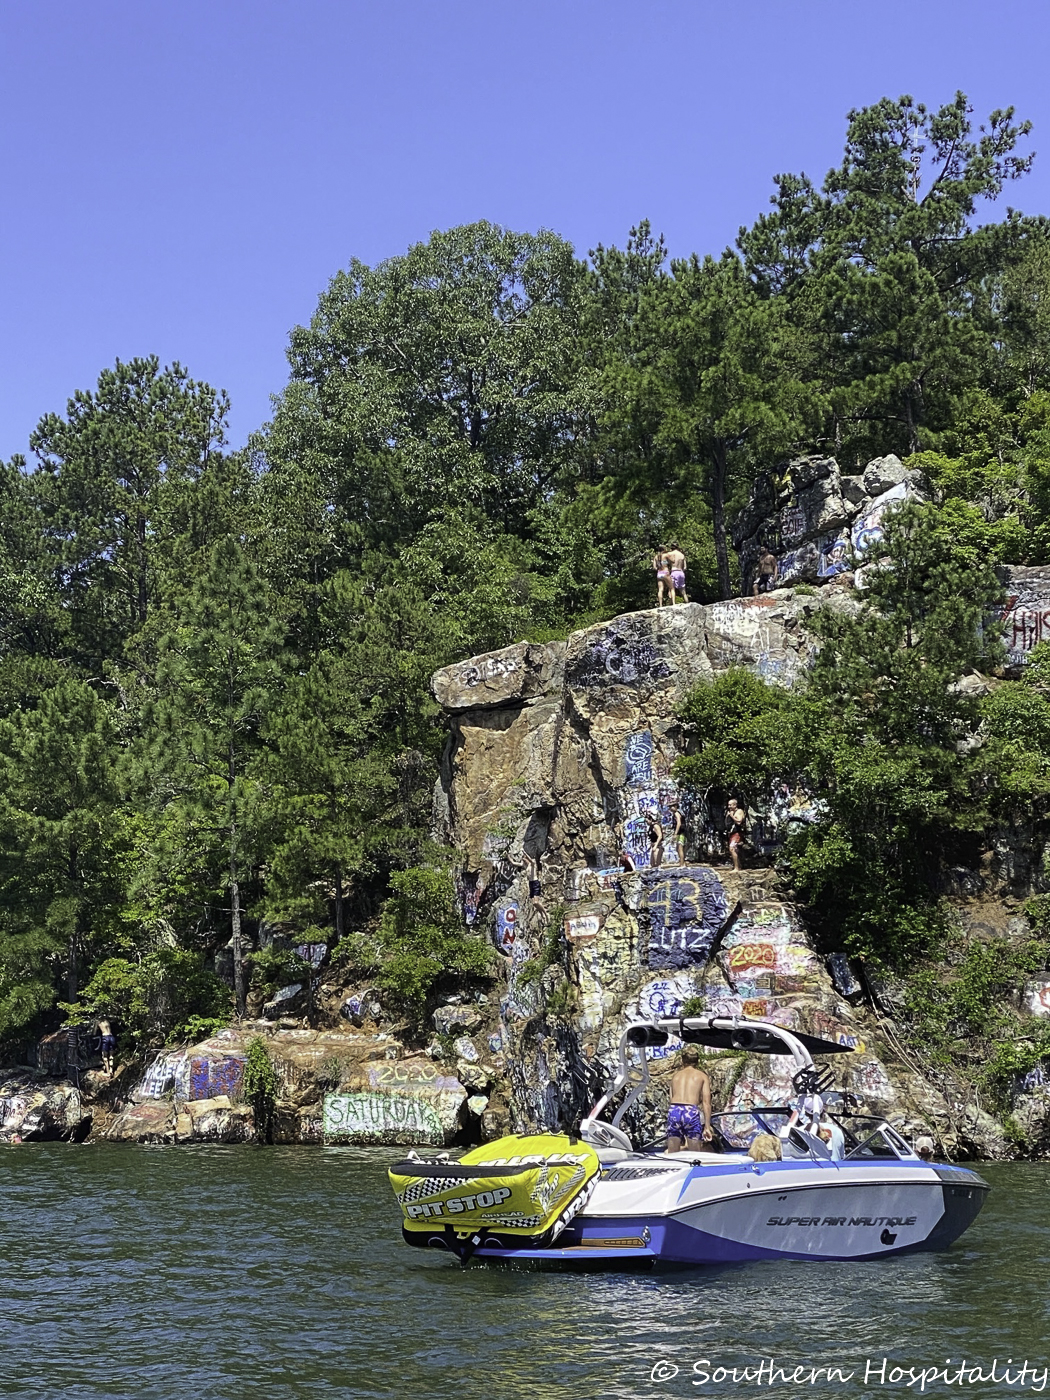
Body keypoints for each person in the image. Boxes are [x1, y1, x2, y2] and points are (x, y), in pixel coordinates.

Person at [665, 1044, 713, 1150]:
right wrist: (707, 1127)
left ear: (682, 1060)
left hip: (675, 1110)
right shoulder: (702, 1076)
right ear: (697, 1061)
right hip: (690, 1111)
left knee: (672, 1151)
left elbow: (671, 1098)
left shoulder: (676, 1076)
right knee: (694, 1153)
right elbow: (706, 1103)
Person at [726, 797, 748, 871]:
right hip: (731, 833)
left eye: (730, 805)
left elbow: (739, 822)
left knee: (732, 848)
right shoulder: (728, 812)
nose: (729, 807)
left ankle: (736, 868)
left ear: (735, 805)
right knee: (735, 849)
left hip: (737, 833)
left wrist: (732, 816)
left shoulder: (739, 811)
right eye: (728, 805)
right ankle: (738, 866)